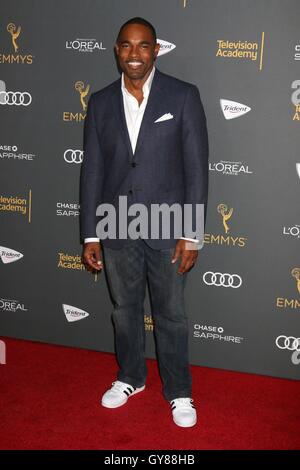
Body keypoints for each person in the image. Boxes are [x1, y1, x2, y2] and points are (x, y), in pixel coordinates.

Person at [80, 17, 209, 428]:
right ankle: (131, 377)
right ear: (116, 50)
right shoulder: (99, 102)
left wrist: (192, 232)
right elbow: (93, 172)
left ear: (156, 50)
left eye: (143, 46)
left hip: (169, 223)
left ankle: (179, 390)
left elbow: (196, 169)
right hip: (116, 222)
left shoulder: (183, 95)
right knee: (124, 310)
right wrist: (90, 232)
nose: (134, 54)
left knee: (171, 314)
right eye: (126, 46)